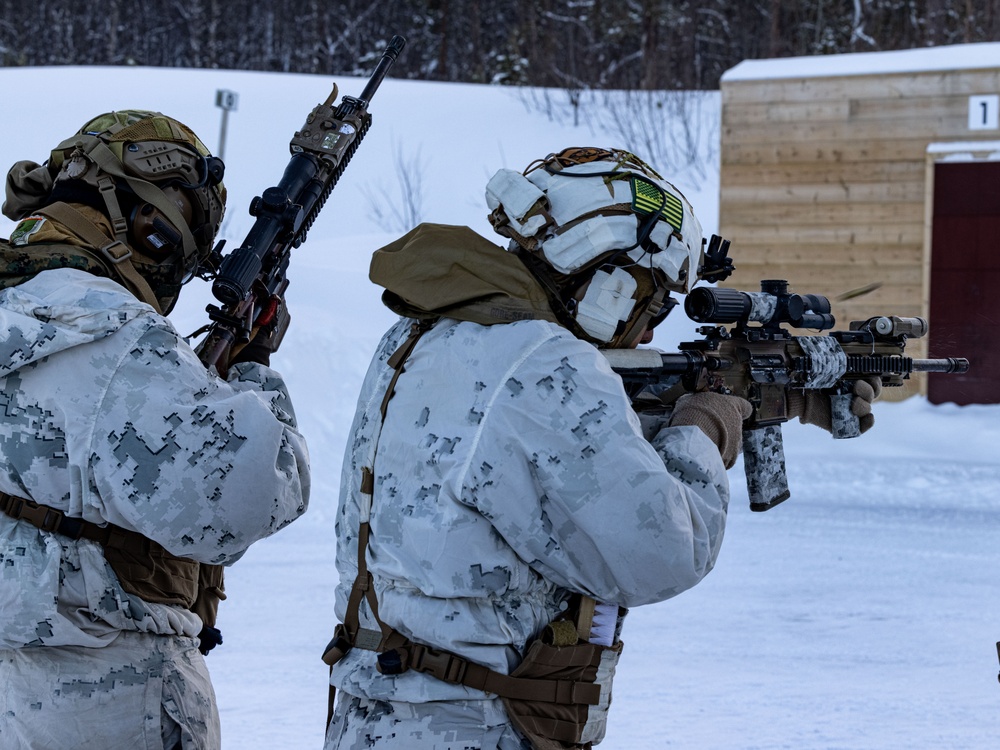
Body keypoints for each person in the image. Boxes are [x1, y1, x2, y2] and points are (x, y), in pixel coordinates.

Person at [323, 147, 877, 750]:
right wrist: (705, 426)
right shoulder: (542, 362)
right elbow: (660, 551)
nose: (652, 329)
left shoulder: (430, 328)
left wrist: (770, 400)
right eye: (653, 299)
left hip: (388, 712)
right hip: (476, 722)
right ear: (608, 277)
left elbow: (532, 466)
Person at [0, 110, 310, 750]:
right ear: (149, 222)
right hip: (105, 702)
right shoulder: (121, 339)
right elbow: (240, 503)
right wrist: (254, 371)